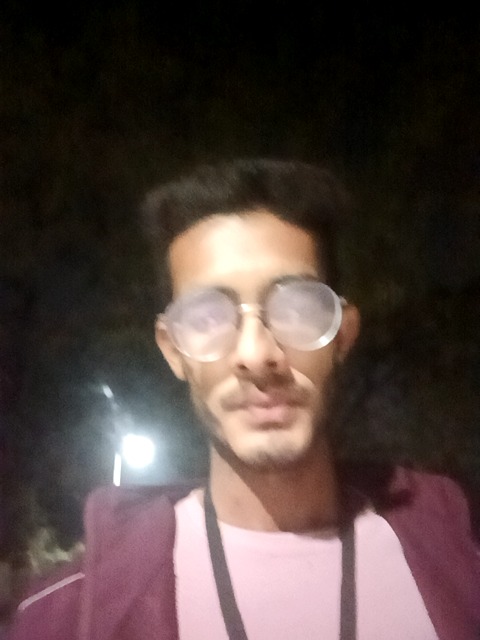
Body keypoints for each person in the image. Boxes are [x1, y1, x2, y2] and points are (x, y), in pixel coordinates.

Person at [8, 159, 480, 640]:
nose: (256, 356)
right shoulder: (62, 618)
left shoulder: (461, 581)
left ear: (342, 335)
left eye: (297, 309)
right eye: (208, 318)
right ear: (173, 350)